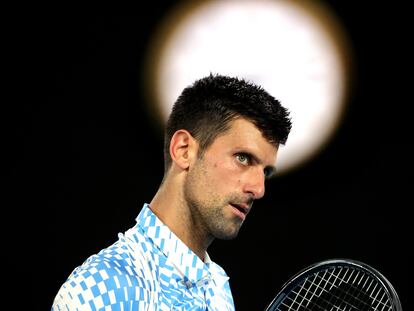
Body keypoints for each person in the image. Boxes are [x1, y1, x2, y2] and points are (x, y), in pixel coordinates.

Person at [51, 73, 292, 310]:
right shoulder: (104, 287)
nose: (259, 189)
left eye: (266, 172)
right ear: (184, 150)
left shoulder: (218, 288)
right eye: (243, 158)